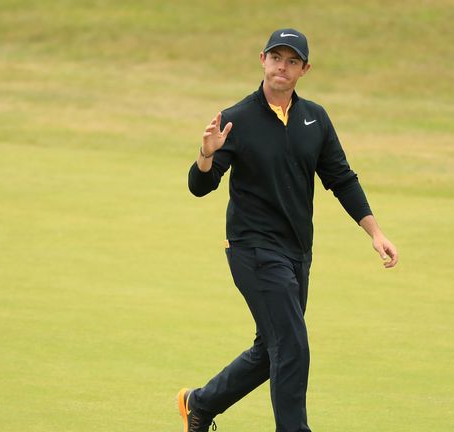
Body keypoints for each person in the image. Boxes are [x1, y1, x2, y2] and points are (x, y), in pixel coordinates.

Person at [176, 28, 399, 432]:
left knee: (272, 348)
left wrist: (375, 232)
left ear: (304, 69)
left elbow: (341, 178)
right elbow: (200, 186)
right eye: (276, 57)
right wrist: (205, 156)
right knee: (292, 345)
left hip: (297, 253)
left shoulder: (315, 118)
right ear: (262, 59)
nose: (283, 66)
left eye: (292, 61)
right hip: (252, 250)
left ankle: (200, 403)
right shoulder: (236, 118)